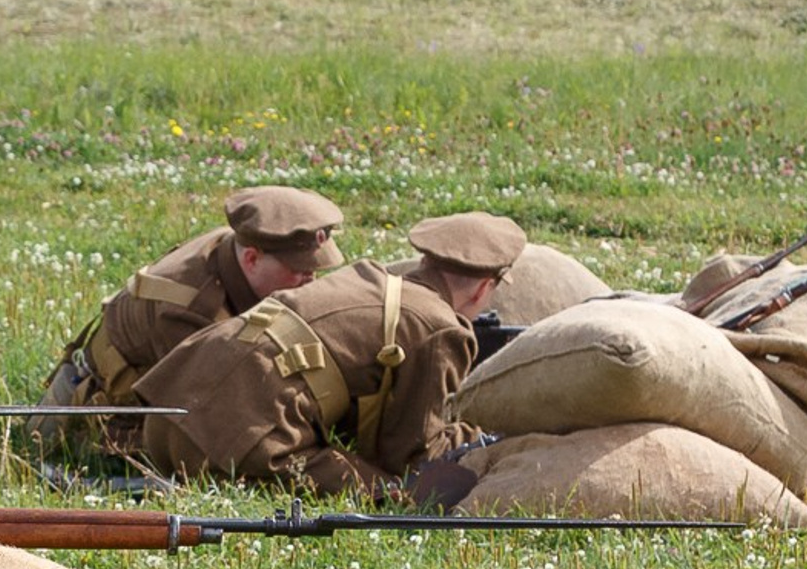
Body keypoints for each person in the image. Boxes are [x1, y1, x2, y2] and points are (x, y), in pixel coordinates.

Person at [125, 213, 527, 497]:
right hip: (236, 441)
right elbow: (412, 455)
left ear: (426, 260)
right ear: (483, 288)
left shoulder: (372, 279)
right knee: (393, 494)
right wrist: (484, 435)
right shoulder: (439, 328)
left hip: (169, 416)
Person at [48, 188, 348, 417]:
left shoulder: (240, 246)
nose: (310, 281)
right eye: (299, 271)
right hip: (114, 412)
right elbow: (204, 415)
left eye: (315, 271)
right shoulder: (189, 309)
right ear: (253, 259)